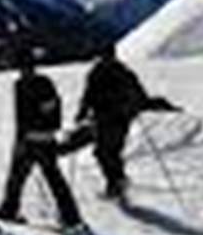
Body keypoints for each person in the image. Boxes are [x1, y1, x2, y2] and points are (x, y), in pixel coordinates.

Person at [74, 45, 180, 200]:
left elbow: (88, 96)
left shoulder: (97, 73)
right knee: (111, 151)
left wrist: (82, 113)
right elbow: (139, 94)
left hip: (107, 118)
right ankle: (117, 181)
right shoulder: (123, 73)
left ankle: (115, 183)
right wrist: (138, 106)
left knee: (104, 152)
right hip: (119, 118)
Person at [0, 51, 86, 232]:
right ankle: (71, 218)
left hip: (29, 139)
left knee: (17, 177)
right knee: (54, 178)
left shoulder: (20, 85)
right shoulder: (45, 83)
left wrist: (19, 140)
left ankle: (9, 210)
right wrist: (52, 128)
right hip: (46, 138)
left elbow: (21, 117)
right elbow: (55, 107)